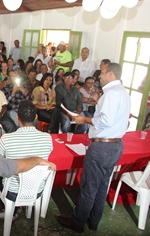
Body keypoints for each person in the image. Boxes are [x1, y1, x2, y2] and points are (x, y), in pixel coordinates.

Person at [56, 63, 131, 233]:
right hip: (116, 145)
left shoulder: (111, 94)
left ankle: (77, 222)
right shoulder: (123, 92)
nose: (100, 76)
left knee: (89, 186)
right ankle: (94, 220)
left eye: (103, 73)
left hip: (102, 147)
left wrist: (84, 120)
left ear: (111, 74)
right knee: (102, 185)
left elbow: (104, 121)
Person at [0, 100, 53, 219]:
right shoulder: (47, 138)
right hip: (36, 190)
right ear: (36, 117)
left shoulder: (6, 139)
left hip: (12, 191)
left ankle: (14, 209)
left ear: (17, 118)